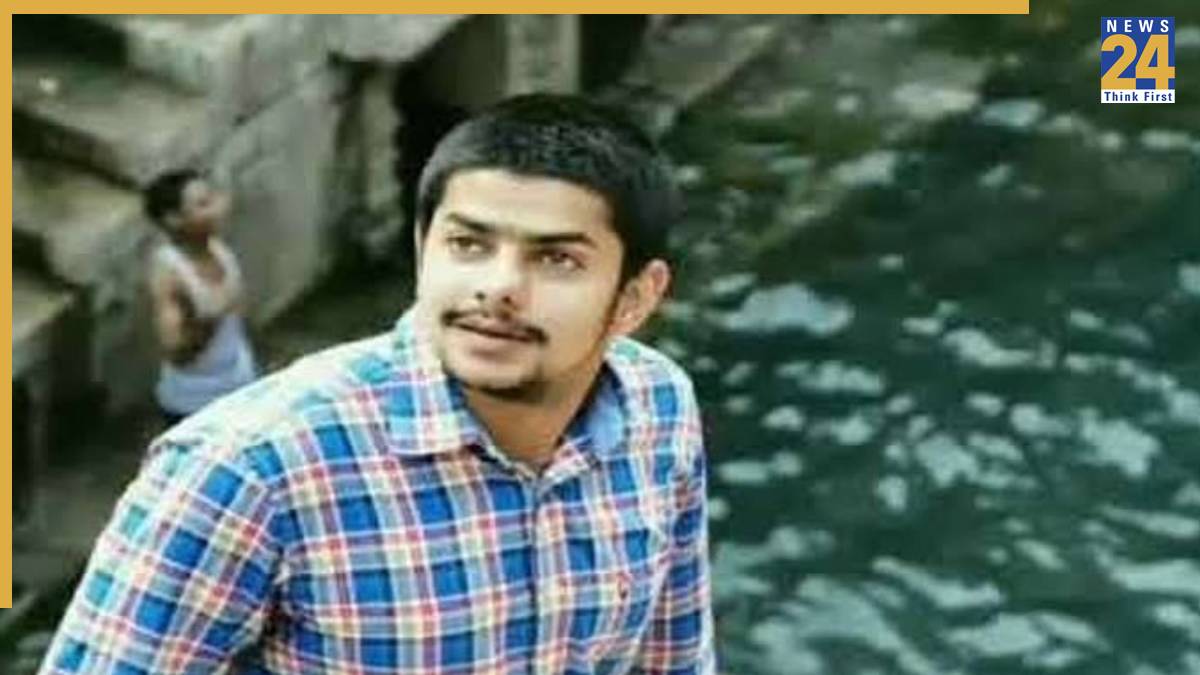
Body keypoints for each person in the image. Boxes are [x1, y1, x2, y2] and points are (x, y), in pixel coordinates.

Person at [40, 94, 715, 674]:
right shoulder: (247, 472)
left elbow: (674, 659)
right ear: (423, 247)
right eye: (469, 244)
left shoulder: (658, 406)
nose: (498, 287)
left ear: (636, 297)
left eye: (557, 258)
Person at [142, 169, 258, 426]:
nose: (218, 209)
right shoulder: (169, 274)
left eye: (212, 199)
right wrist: (211, 318)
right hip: (195, 404)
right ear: (174, 219)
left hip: (239, 383)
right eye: (203, 205)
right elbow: (176, 352)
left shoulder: (217, 247)